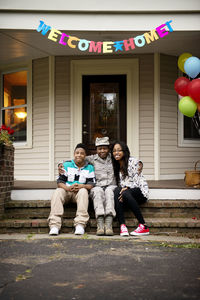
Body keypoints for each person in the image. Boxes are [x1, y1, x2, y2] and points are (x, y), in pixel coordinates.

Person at [58, 137, 116, 236]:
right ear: (96, 149)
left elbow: (126, 158)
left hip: (111, 185)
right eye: (100, 148)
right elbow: (77, 159)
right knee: (97, 191)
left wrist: (139, 163)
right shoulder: (92, 158)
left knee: (109, 192)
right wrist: (60, 164)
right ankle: (100, 224)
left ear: (108, 149)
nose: (102, 150)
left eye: (105, 148)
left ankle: (109, 224)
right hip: (97, 186)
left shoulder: (114, 158)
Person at [48, 143, 95, 236]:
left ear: (85, 155)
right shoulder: (66, 165)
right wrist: (68, 188)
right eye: (77, 153)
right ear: (74, 154)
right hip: (67, 192)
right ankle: (54, 225)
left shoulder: (90, 167)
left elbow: (91, 184)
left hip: (79, 194)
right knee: (58, 191)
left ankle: (80, 224)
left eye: (82, 153)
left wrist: (82, 186)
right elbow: (60, 182)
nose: (79, 155)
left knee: (84, 191)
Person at [111, 141, 149, 236]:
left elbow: (137, 181)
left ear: (124, 151)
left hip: (139, 191)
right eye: (114, 151)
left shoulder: (133, 161)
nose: (116, 153)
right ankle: (122, 226)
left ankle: (143, 225)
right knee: (116, 191)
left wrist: (127, 188)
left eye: (119, 150)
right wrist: (124, 190)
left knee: (124, 193)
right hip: (126, 194)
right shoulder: (115, 165)